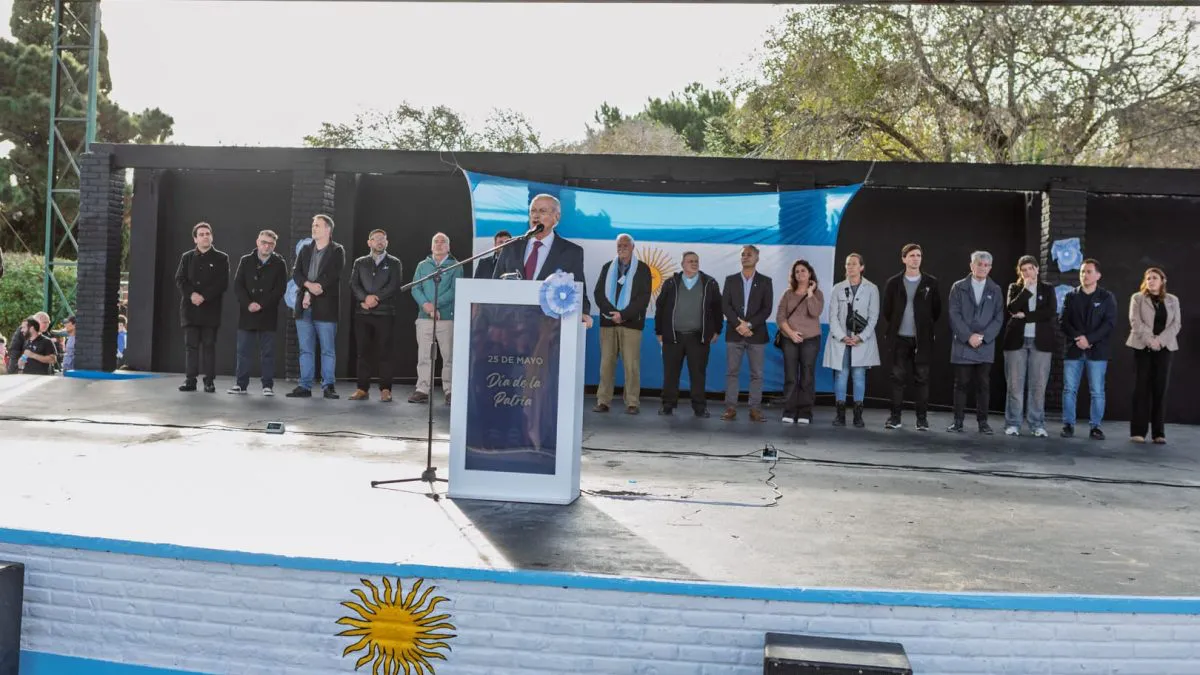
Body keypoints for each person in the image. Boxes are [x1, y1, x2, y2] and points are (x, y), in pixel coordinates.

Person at [492, 194, 593, 326]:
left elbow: (578, 291)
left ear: (557, 217)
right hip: (510, 324)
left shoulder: (571, 252)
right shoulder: (510, 246)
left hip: (548, 327)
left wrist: (583, 313)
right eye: (533, 211)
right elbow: (495, 285)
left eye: (542, 211)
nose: (536, 216)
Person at [881, 243, 941, 431]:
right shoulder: (893, 282)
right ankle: (895, 418)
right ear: (904, 259)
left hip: (921, 340)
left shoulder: (931, 282)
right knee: (897, 379)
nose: (916, 259)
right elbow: (887, 310)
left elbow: (936, 310)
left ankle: (921, 419)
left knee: (922, 379)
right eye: (912, 255)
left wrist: (924, 327)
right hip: (899, 338)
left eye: (918, 255)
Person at [655, 251, 723, 418]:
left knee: (698, 374)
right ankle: (667, 405)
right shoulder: (671, 283)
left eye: (696, 261)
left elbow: (718, 308)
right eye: (690, 261)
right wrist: (659, 331)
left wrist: (717, 330)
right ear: (682, 264)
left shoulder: (709, 283)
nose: (694, 263)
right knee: (670, 374)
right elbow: (660, 307)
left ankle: (699, 407)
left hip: (698, 337)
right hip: (673, 336)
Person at [287, 214, 346, 399]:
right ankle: (305, 386)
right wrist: (308, 287)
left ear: (328, 229)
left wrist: (311, 291)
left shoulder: (337, 250)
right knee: (305, 349)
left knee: (327, 349)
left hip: (326, 307)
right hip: (304, 307)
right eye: (313, 225)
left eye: (318, 225)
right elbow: (296, 273)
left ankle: (328, 386)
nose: (313, 228)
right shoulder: (305, 249)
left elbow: (333, 275)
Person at [1059, 258, 1118, 440]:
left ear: (1098, 275)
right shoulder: (1071, 296)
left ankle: (1095, 427)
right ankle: (1068, 425)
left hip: (1097, 351)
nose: (1084, 275)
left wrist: (1089, 339)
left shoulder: (1106, 297)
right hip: (1074, 349)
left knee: (1097, 391)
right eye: (1082, 271)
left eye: (1089, 271)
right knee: (1069, 389)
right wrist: (1078, 338)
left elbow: (1109, 324)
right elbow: (1063, 321)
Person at [593, 233, 652, 414]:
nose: (622, 248)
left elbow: (643, 298)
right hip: (608, 323)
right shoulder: (607, 268)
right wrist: (613, 314)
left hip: (631, 324)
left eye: (626, 245)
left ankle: (632, 402)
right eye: (619, 245)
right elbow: (598, 294)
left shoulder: (643, 269)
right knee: (606, 364)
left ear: (633, 247)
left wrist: (623, 315)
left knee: (631, 365)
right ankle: (603, 401)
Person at [946, 251, 1004, 433]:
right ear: (972, 266)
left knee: (983, 385)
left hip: (985, 345)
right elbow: (954, 314)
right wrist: (968, 336)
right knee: (961, 384)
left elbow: (998, 317)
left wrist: (984, 337)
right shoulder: (958, 287)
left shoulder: (996, 290)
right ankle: (958, 422)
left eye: (986, 265)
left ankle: (983, 423)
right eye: (979, 264)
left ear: (990, 268)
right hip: (963, 344)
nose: (983, 268)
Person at [1001, 255, 1057, 437]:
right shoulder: (1015, 287)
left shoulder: (1048, 289)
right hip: (1016, 342)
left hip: (1041, 342)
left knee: (1038, 386)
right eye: (1023, 270)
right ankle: (1013, 423)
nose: (1027, 273)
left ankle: (1037, 424)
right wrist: (1026, 290)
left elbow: (1050, 312)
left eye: (1030, 269)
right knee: (1014, 386)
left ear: (1037, 269)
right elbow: (1011, 308)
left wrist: (1026, 316)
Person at [823, 253, 880, 428]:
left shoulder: (871, 288)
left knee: (859, 376)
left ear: (861, 267)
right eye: (848, 264)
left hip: (861, 341)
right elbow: (832, 316)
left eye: (854, 264)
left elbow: (873, 317)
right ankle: (840, 415)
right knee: (841, 375)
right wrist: (842, 336)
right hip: (841, 340)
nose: (850, 267)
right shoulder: (837, 288)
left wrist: (861, 337)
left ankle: (858, 416)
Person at [1126, 267, 1181, 444]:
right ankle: (1138, 431)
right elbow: (1135, 322)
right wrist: (1150, 340)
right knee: (1141, 389)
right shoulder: (1137, 298)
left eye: (1154, 278)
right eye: (1148, 278)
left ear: (1162, 281)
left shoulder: (1173, 300)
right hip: (1142, 347)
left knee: (1160, 389)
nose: (1150, 281)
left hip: (1165, 348)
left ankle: (1158, 433)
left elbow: (1176, 324)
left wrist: (1160, 341)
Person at [229, 229, 287, 396]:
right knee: (243, 351)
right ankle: (241, 384)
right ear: (257, 242)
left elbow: (280, 289)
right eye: (264, 242)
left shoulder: (279, 263)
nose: (267, 246)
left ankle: (267, 385)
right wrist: (249, 303)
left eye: (270, 244)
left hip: (268, 313)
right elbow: (238, 285)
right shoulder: (246, 260)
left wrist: (261, 304)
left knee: (268, 353)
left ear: (274, 245)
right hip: (247, 313)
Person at [721, 245, 774, 422]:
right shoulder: (730, 280)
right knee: (732, 372)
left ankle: (755, 409)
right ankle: (730, 408)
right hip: (734, 333)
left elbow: (767, 309)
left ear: (757, 258)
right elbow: (725, 305)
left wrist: (749, 325)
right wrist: (738, 325)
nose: (745, 257)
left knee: (757, 374)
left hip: (756, 334)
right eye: (743, 254)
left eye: (749, 254)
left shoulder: (765, 281)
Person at [174, 222, 229, 393]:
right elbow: (180, 279)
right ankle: (190, 380)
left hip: (210, 310)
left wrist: (204, 296)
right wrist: (192, 295)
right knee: (191, 347)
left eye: (207, 234)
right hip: (190, 309)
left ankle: (209, 381)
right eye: (201, 234)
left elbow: (222, 283)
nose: (205, 237)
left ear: (212, 237)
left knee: (208, 346)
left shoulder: (221, 258)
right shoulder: (187, 257)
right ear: (195, 239)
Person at [409, 232, 462, 405]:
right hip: (424, 318)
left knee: (448, 356)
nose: (439, 244)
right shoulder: (423, 265)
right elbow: (415, 288)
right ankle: (422, 389)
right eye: (436, 242)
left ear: (448, 246)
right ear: (432, 246)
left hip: (446, 319)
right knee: (424, 355)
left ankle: (450, 390)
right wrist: (427, 306)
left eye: (442, 242)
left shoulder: (455, 266)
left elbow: (455, 290)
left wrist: (435, 305)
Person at [349, 229, 402, 402]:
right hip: (362, 312)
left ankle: (385, 389)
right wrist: (365, 298)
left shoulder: (394, 262)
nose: (380, 241)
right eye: (376, 239)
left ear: (387, 242)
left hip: (384, 313)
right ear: (369, 242)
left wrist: (376, 298)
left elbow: (394, 285)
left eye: (383, 239)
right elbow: (354, 284)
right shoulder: (360, 262)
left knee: (385, 352)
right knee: (362, 352)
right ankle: (362, 388)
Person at [776, 259, 825, 424]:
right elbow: (780, 317)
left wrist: (810, 292)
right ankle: (789, 411)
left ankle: (805, 412)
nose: (800, 274)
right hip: (789, 339)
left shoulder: (818, 294)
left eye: (803, 270)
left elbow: (815, 312)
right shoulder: (788, 294)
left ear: (810, 273)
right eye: (797, 271)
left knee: (807, 376)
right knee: (790, 376)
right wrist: (791, 333)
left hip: (811, 340)